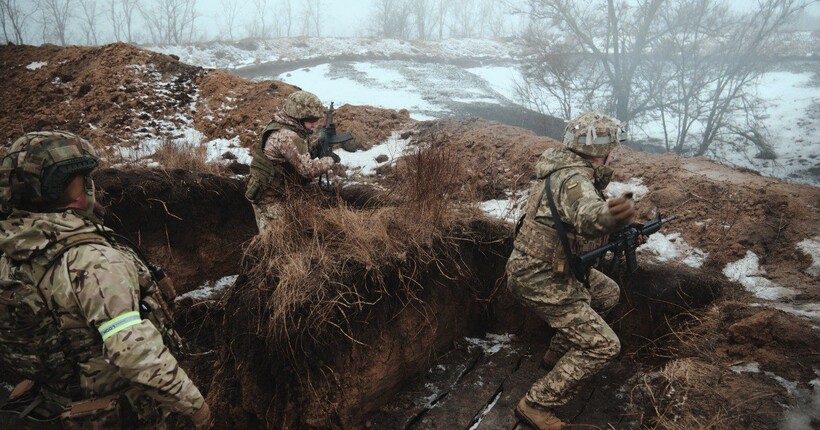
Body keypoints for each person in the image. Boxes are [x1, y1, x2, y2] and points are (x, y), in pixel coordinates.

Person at [0, 131, 210, 429]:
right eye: (82, 178)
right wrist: (197, 408)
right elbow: (134, 353)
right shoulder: (94, 261)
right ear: (62, 188)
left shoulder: (13, 248)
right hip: (117, 411)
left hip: (54, 405)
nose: (90, 186)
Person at [506, 112, 637, 429]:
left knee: (606, 293)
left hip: (550, 267)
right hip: (540, 276)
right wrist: (610, 216)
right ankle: (536, 405)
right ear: (599, 151)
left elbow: (574, 223)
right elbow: (588, 216)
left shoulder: (567, 170)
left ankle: (558, 357)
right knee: (604, 346)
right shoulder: (574, 180)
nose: (613, 153)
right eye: (612, 147)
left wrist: (624, 231)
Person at [245, 90, 339, 232]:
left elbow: (296, 155)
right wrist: (330, 160)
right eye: (311, 121)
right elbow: (308, 170)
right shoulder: (287, 136)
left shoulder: (288, 124)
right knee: (276, 238)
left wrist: (317, 146)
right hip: (268, 197)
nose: (314, 125)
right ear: (299, 117)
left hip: (279, 190)